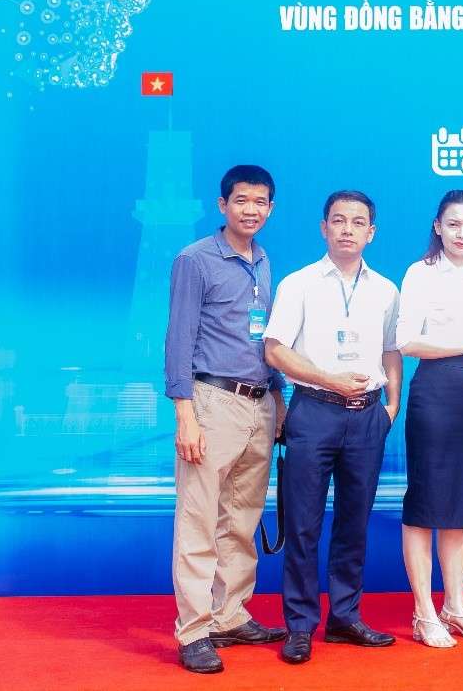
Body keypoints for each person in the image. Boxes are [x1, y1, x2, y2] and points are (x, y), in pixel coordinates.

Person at [263, 191, 403, 665]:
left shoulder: (385, 290)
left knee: (354, 523)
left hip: (367, 417)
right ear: (324, 228)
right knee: (303, 525)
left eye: (358, 222)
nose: (347, 229)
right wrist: (329, 380)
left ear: (371, 232)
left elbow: (391, 349)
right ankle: (300, 625)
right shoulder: (299, 283)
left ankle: (345, 617)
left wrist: (392, 405)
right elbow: (275, 350)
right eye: (338, 220)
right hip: (315, 412)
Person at [166, 164, 287, 674]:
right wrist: (185, 414)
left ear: (270, 208)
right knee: (199, 520)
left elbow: (265, 338)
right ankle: (194, 630)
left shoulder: (263, 260)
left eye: (260, 202)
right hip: (211, 401)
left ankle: (229, 616)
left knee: (241, 519)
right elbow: (179, 340)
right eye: (241, 200)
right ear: (223, 205)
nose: (250, 210)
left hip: (259, 402)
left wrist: (277, 398)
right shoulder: (195, 260)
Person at [397, 190, 463, 648]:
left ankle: (455, 606)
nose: (462, 233)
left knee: (461, 503)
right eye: (453, 224)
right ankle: (423, 612)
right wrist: (462, 345)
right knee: (425, 503)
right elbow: (406, 341)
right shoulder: (421, 273)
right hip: (435, 393)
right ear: (437, 226)